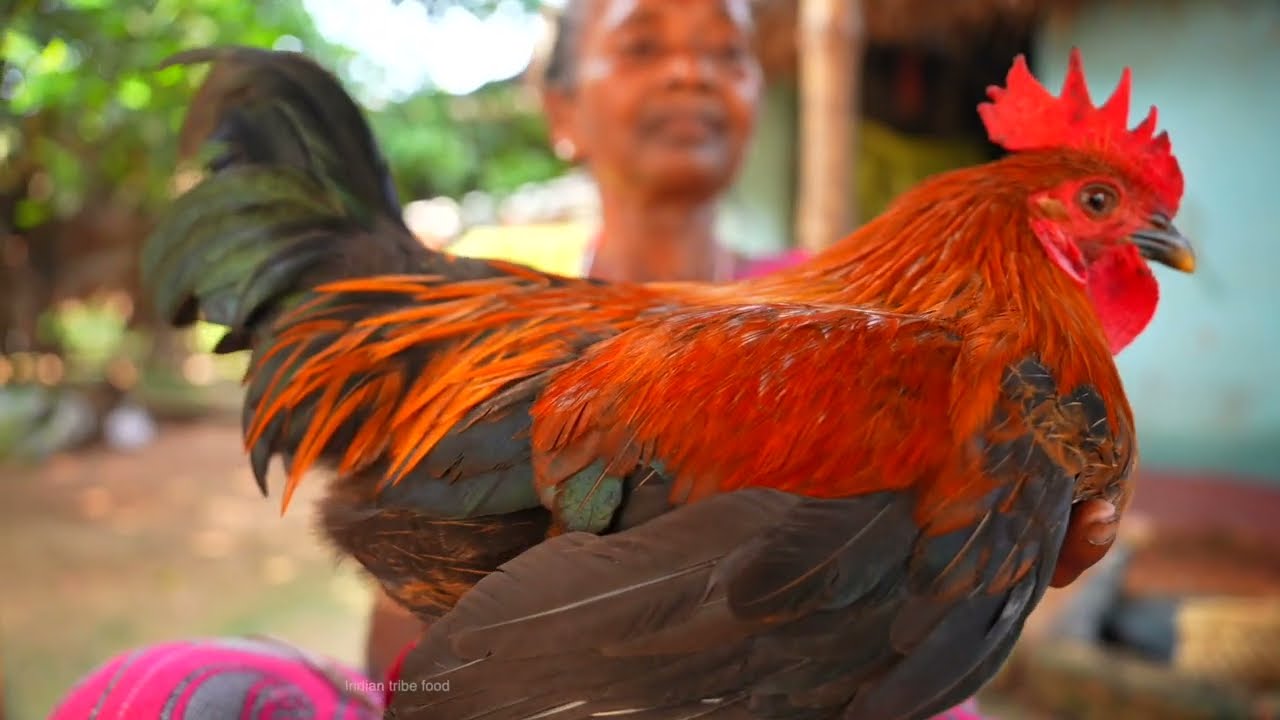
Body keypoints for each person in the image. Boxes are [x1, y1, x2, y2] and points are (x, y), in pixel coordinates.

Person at [52, 1, 984, 717]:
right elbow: (416, 649)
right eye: (645, 44)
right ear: (562, 110)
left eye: (728, 51)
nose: (694, 72)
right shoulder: (484, 333)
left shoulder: (856, 329)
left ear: (755, 97)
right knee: (168, 686)